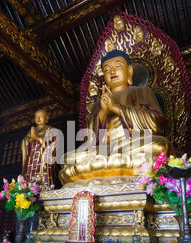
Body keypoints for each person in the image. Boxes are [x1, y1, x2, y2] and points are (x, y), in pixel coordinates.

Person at [60, 50, 171, 184]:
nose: (112, 72)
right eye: (107, 70)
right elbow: (88, 138)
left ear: (129, 71)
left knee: (160, 145)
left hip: (133, 145)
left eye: (117, 66)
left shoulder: (142, 91)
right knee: (67, 159)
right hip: (104, 150)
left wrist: (116, 108)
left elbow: (156, 124)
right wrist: (103, 111)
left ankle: (103, 171)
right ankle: (115, 167)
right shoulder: (98, 104)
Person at [21, 109, 57, 188]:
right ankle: (28, 190)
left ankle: (44, 187)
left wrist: (37, 138)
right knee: (30, 174)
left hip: (43, 159)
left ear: (46, 118)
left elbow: (53, 145)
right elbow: (24, 142)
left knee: (43, 173)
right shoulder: (32, 130)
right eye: (36, 117)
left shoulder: (50, 130)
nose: (38, 118)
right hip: (32, 158)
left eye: (41, 116)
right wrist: (30, 139)